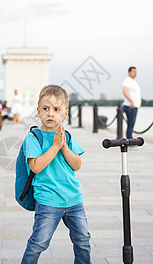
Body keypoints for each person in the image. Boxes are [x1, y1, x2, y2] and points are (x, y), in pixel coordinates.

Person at [21, 84, 91, 264]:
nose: (50, 113)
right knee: (38, 243)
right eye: (46, 109)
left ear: (65, 114)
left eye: (56, 109)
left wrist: (64, 146)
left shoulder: (66, 136)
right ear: (38, 111)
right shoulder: (34, 137)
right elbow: (35, 167)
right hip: (48, 200)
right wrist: (54, 147)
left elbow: (77, 164)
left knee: (82, 240)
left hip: (74, 199)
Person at [122, 66, 141, 139]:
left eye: (136, 72)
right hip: (130, 106)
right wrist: (132, 102)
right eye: (133, 72)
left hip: (134, 106)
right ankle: (130, 140)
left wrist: (138, 103)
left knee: (131, 124)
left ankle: (130, 139)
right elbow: (125, 91)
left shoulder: (133, 82)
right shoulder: (127, 81)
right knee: (130, 124)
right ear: (129, 72)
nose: (135, 73)